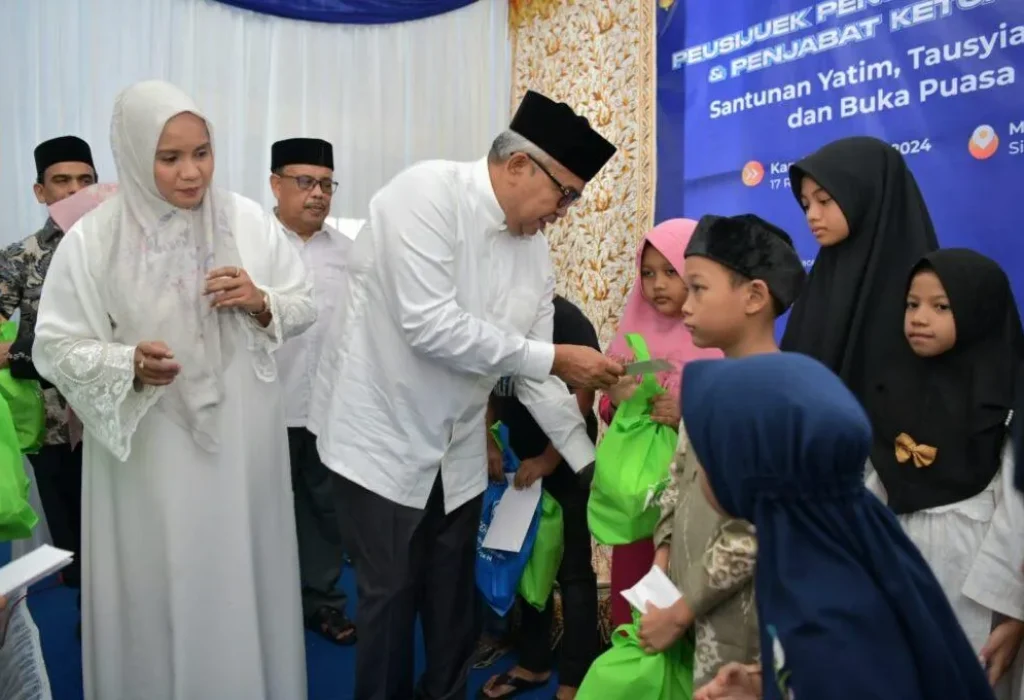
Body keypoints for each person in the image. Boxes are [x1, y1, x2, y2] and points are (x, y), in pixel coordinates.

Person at [309, 89, 623, 700]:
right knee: (391, 601)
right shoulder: (424, 195)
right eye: (564, 194)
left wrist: (589, 466)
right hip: (382, 439)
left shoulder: (533, 251)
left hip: (456, 449)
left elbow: (534, 373)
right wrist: (559, 358)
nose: (564, 212)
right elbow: (430, 326)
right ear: (517, 165)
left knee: (453, 608)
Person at [31, 80, 315, 700]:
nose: (192, 173)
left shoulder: (245, 220)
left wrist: (260, 301)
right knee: (163, 579)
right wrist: (126, 363)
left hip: (242, 442)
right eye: (170, 158)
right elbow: (54, 345)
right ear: (135, 154)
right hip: (151, 448)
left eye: (202, 152)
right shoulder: (95, 239)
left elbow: (303, 302)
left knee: (239, 571)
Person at [681, 352, 997, 700]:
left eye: (708, 453)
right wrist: (765, 684)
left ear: (748, 470)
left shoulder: (828, 621)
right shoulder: (831, 547)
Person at [642, 214, 805, 688]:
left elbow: (755, 530)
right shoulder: (709, 383)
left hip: (741, 617)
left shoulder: (780, 398)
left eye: (698, 289)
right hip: (685, 598)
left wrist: (682, 610)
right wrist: (664, 553)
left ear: (754, 296)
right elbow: (679, 478)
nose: (685, 306)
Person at [863, 249, 1024, 695]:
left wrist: (1012, 611)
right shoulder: (893, 385)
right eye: (912, 305)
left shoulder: (1006, 395)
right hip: (897, 567)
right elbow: (877, 481)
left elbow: (1018, 510)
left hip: (974, 573)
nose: (919, 318)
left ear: (978, 311)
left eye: (941, 306)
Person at [595, 218, 721, 628]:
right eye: (647, 273)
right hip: (642, 498)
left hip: (699, 501)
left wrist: (686, 417)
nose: (657, 284)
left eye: (671, 271)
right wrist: (619, 402)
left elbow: (734, 420)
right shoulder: (634, 335)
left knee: (685, 604)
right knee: (634, 603)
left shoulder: (717, 334)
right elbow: (610, 412)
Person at [481, 294, 603, 700]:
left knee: (572, 572)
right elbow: (484, 387)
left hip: (564, 463)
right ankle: (533, 664)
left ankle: (576, 676)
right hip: (517, 462)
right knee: (526, 560)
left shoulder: (566, 319)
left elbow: (584, 396)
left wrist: (550, 459)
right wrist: (489, 443)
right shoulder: (492, 315)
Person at [0, 135, 97, 591]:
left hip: (117, 411)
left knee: (123, 530)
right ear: (41, 191)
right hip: (54, 421)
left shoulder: (123, 250)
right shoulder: (20, 258)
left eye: (85, 180)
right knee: (72, 535)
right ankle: (88, 618)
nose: (74, 190)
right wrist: (22, 353)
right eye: (62, 181)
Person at [270, 137, 356, 645]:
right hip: (264, 408)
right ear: (275, 185)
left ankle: (322, 603)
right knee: (264, 510)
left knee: (325, 512)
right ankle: (264, 606)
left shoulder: (350, 254)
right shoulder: (249, 246)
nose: (318, 194)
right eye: (305, 182)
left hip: (327, 408)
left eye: (326, 183)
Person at [781, 136, 939, 403]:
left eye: (825, 200)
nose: (812, 216)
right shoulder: (820, 283)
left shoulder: (919, 289)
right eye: (807, 205)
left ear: (865, 193)